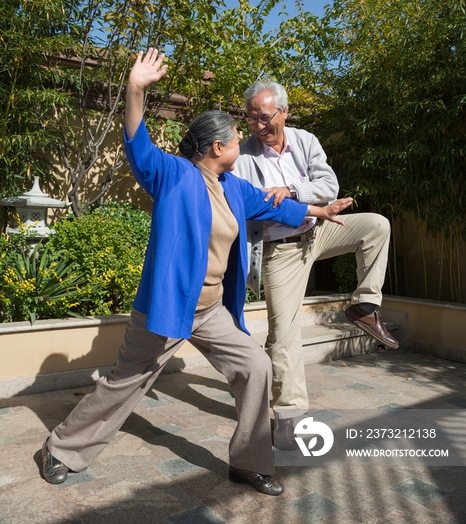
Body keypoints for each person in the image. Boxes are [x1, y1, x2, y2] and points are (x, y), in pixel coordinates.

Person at [41, 50, 352, 495]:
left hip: (209, 312)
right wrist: (135, 88)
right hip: (166, 309)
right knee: (123, 386)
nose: (242, 140)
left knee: (256, 366)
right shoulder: (172, 174)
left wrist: (321, 209)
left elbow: (275, 202)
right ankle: (61, 449)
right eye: (234, 137)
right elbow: (137, 141)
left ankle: (249, 461)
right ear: (215, 148)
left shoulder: (234, 187)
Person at [234, 80, 398, 451]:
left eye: (265, 117)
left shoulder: (305, 140)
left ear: (284, 113)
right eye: (252, 118)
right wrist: (281, 202)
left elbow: (329, 185)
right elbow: (248, 203)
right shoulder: (244, 156)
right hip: (280, 250)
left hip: (319, 231)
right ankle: (289, 414)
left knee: (376, 226)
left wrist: (291, 192)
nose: (259, 125)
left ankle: (365, 306)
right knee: (285, 333)